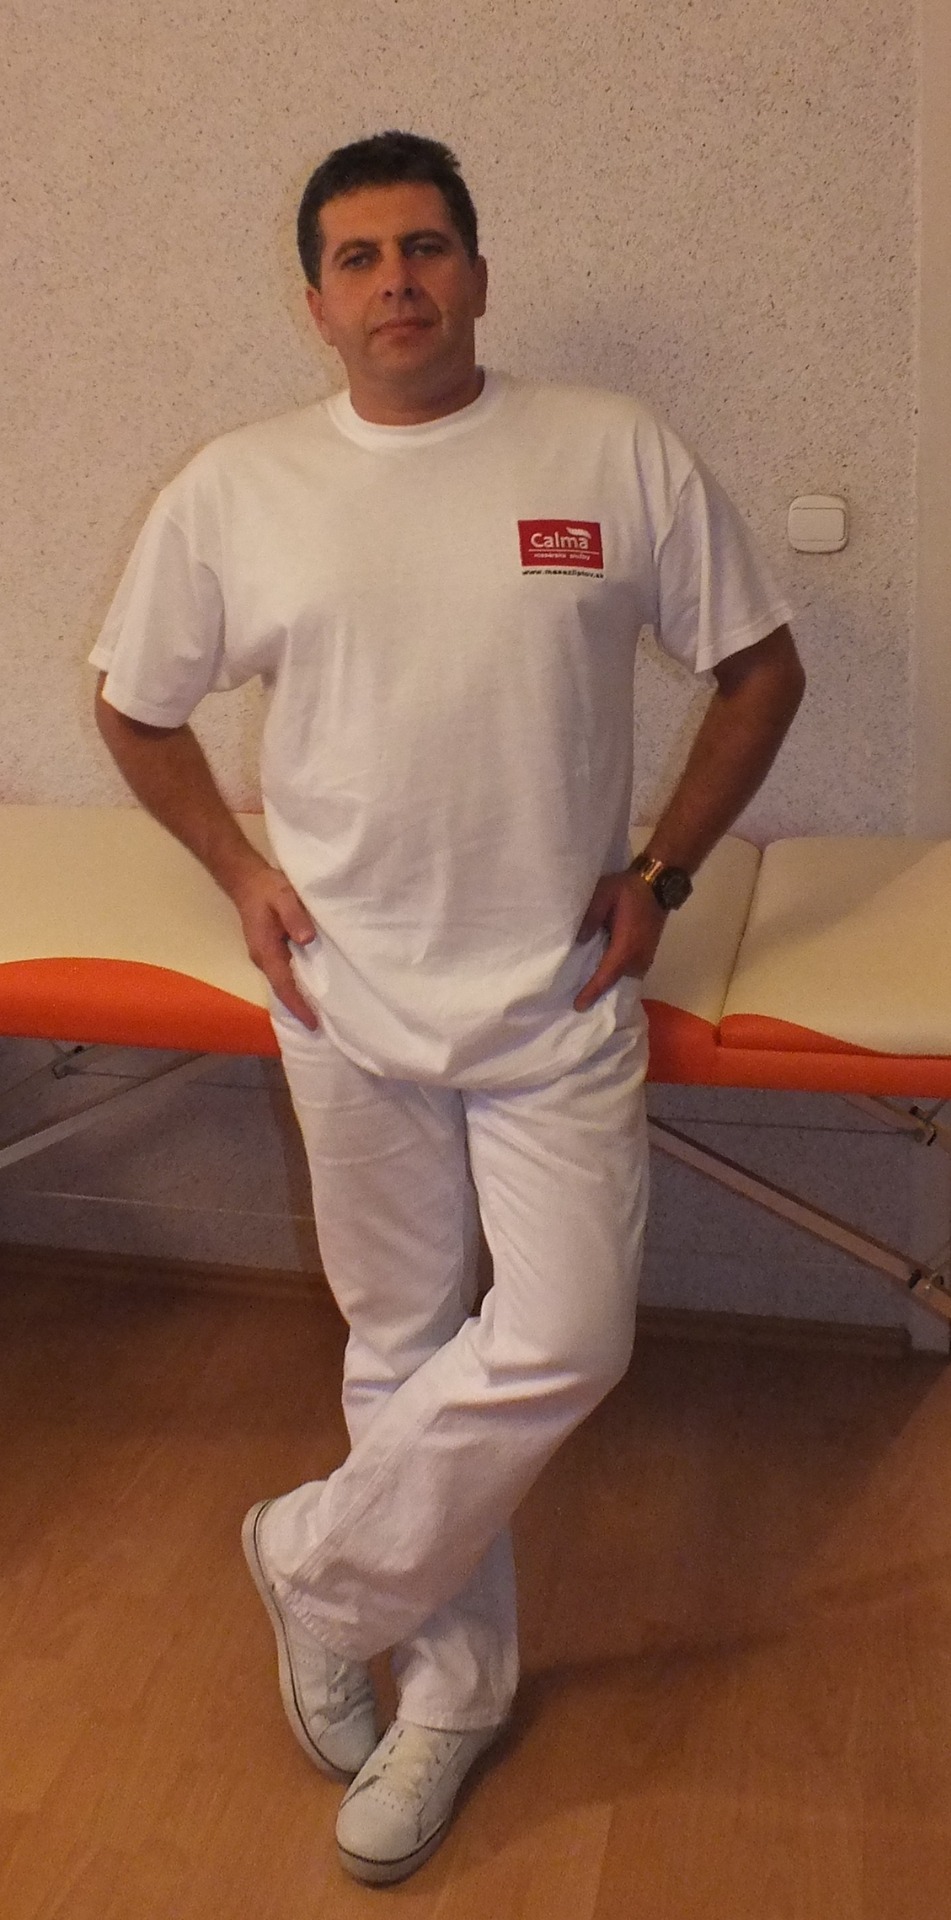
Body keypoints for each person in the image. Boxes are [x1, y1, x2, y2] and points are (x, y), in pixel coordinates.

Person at [91, 130, 804, 1885]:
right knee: (401, 1349)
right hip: (344, 993)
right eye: (359, 257)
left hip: (557, 989)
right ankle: (451, 1698)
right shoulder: (241, 487)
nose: (396, 281)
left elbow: (762, 669)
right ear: (316, 301)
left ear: (479, 274)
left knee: (569, 1335)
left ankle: (317, 1569)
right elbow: (134, 704)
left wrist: (663, 875)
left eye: (425, 248)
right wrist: (239, 873)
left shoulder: (610, 451)